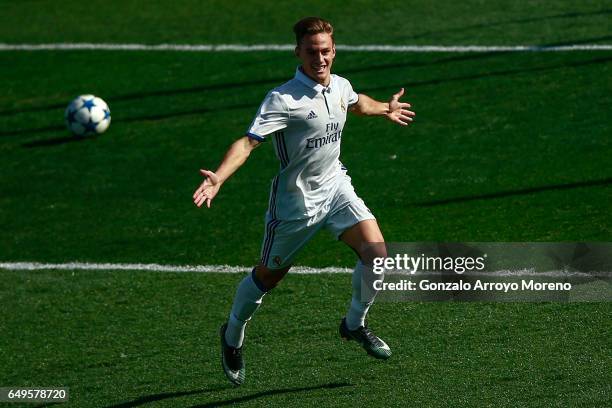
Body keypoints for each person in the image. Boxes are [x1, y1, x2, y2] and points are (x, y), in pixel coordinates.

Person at [193, 16, 415, 386]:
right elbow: (248, 143)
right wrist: (219, 177)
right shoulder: (283, 99)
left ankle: (354, 325)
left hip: (336, 188)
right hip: (295, 206)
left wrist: (384, 109)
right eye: (312, 51)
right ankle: (232, 335)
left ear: (334, 51)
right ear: (298, 52)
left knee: (377, 253)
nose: (320, 58)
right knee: (267, 278)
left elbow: (357, 103)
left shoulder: (340, 85)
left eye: (325, 51)